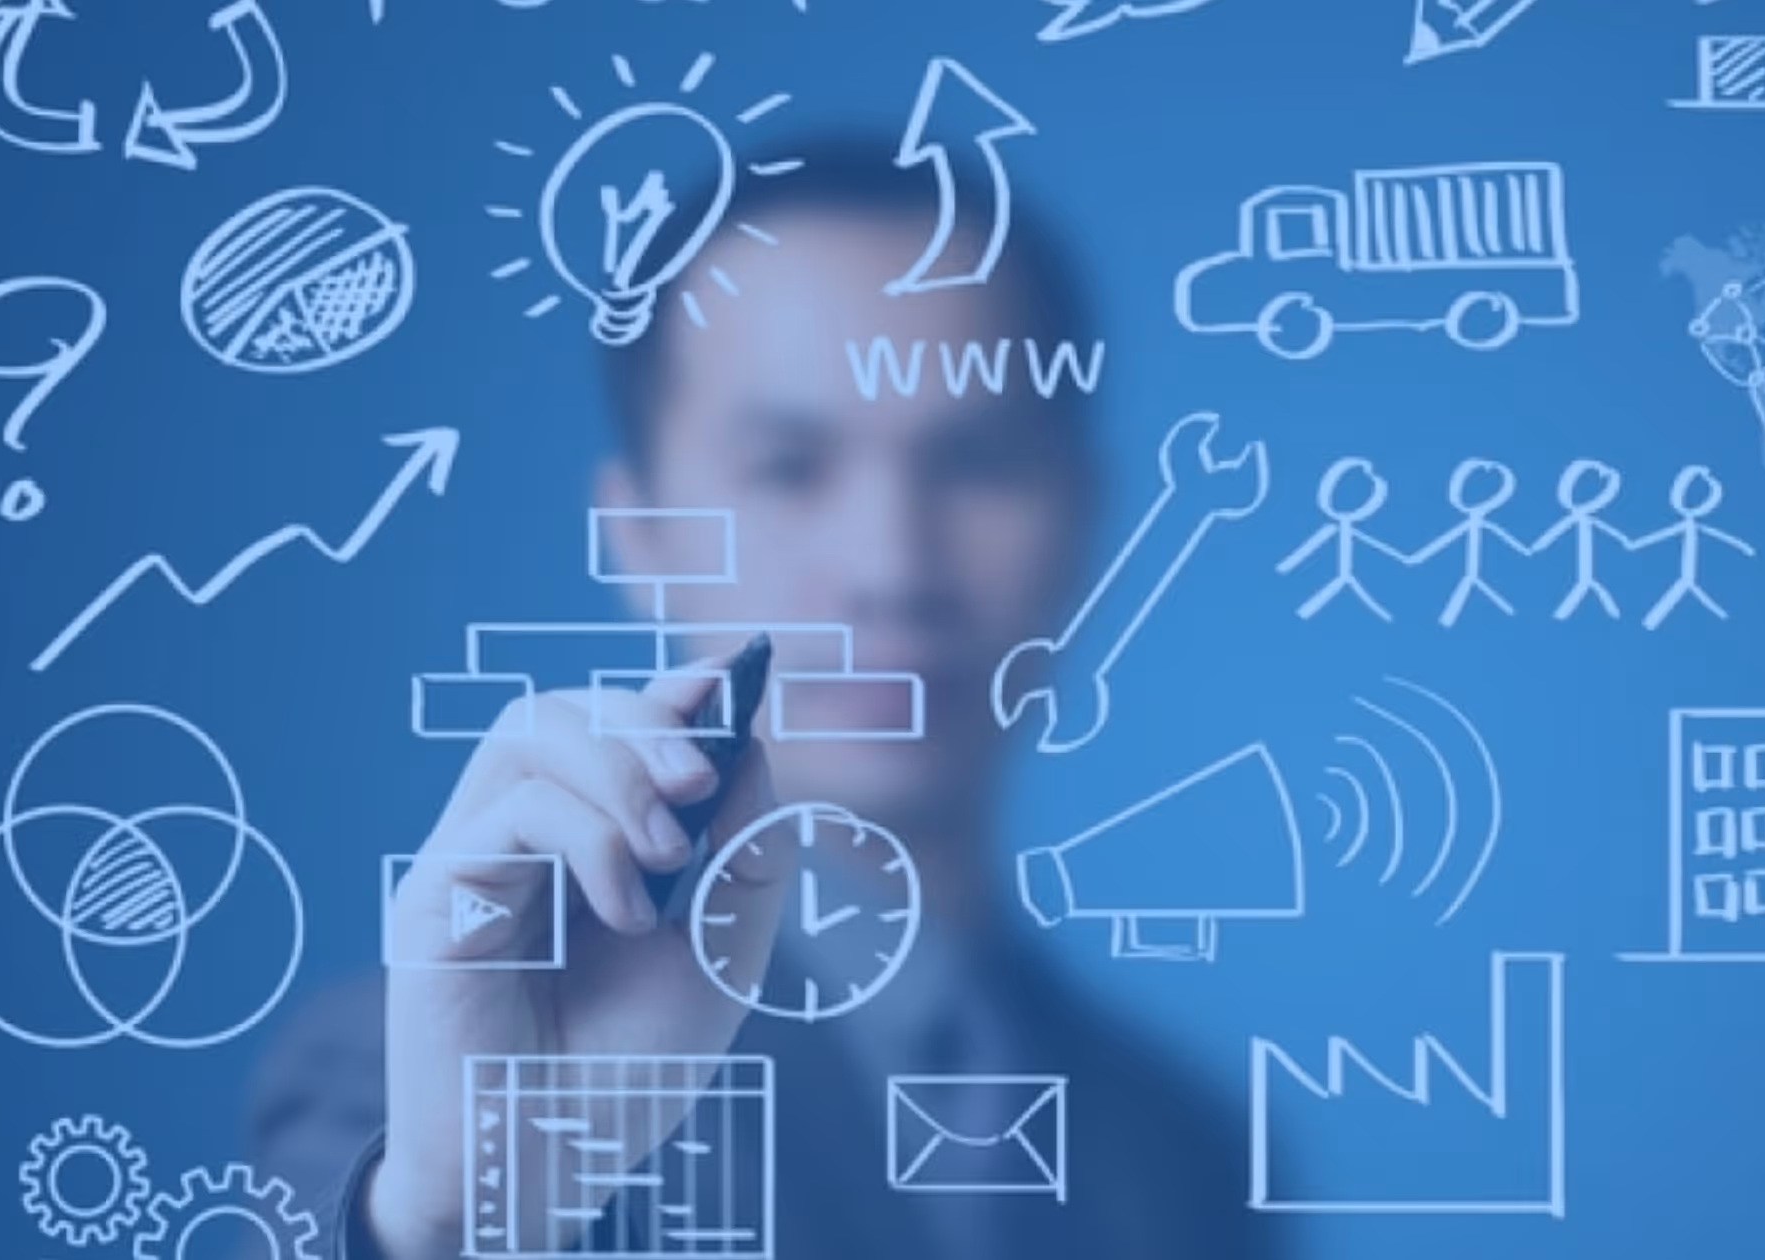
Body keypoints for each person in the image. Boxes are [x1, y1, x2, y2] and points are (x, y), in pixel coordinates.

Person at [244, 137, 1286, 1260]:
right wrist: (452, 1223)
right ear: (636, 538)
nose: (891, 565)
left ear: (1083, 526)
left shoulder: (1181, 1144)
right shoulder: (437, 1070)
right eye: (787, 469)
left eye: (975, 461)